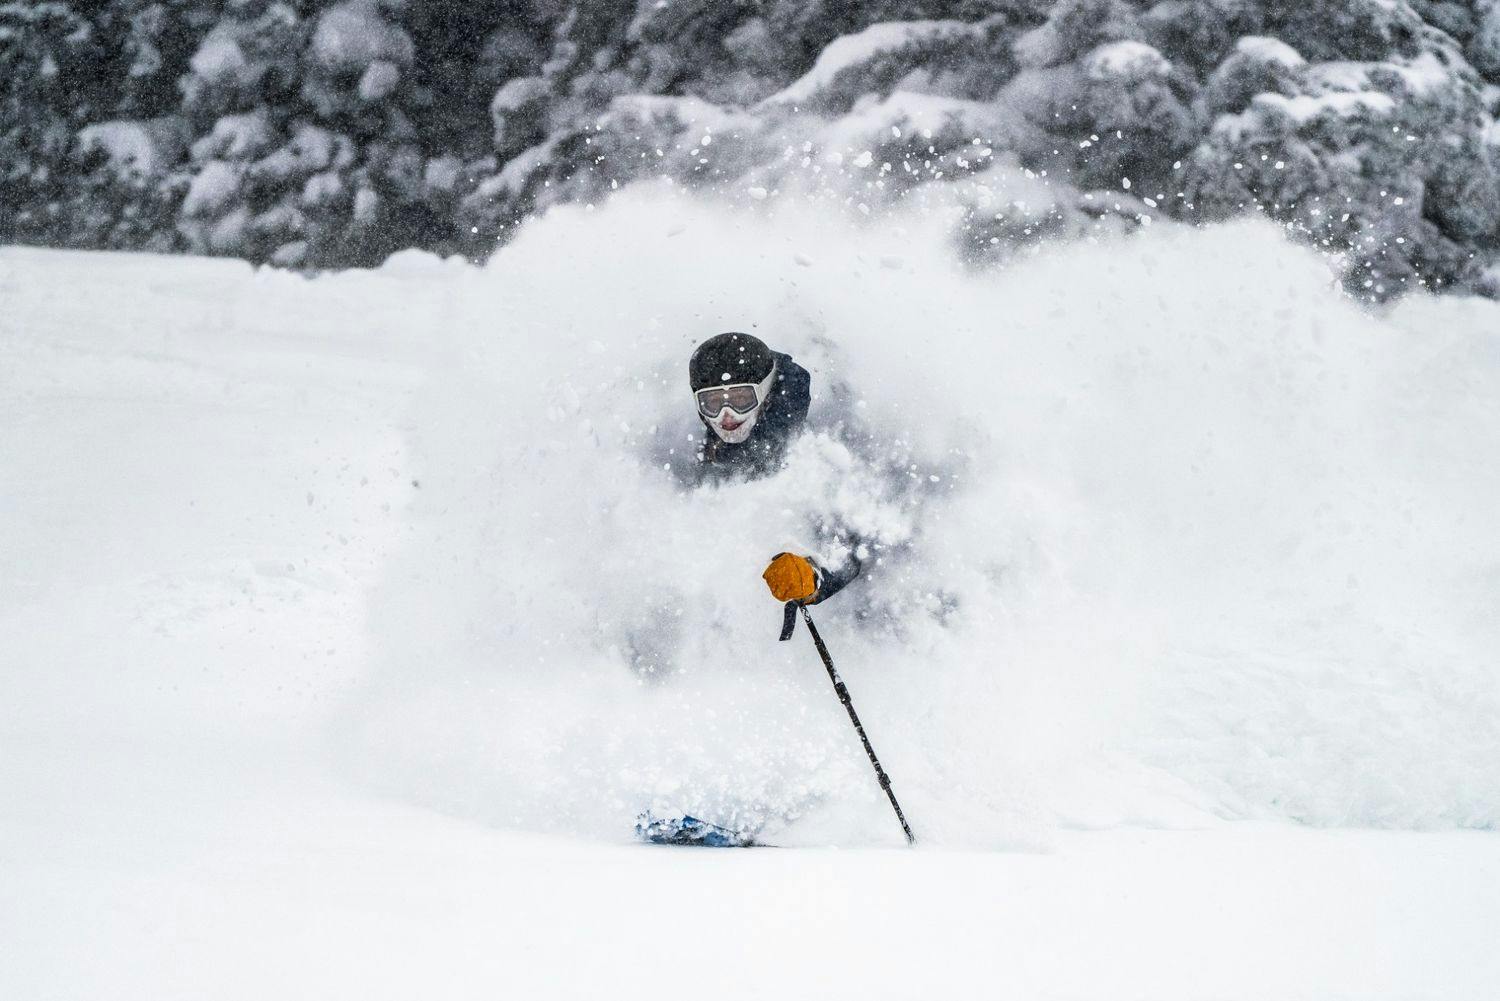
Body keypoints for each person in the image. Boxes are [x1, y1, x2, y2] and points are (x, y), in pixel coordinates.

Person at [687, 331, 862, 611]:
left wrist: (814, 576)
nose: (727, 415)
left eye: (741, 398)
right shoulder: (699, 443)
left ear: (766, 393)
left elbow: (853, 545)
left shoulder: (812, 446)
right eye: (712, 403)